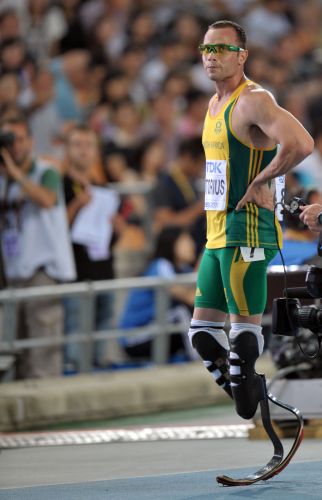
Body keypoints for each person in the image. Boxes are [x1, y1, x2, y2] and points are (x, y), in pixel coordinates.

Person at [188, 20, 314, 420]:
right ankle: (250, 392)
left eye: (221, 49)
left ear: (242, 55)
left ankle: (251, 395)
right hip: (217, 231)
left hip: (247, 230)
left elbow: (302, 142)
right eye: (206, 49)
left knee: (243, 327)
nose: (212, 57)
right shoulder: (212, 104)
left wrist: (265, 178)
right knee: (202, 334)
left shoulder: (253, 100)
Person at [0, 116, 76, 379]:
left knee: (42, 349)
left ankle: (47, 403)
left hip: (42, 271)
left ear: (30, 141)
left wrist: (16, 175)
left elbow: (46, 199)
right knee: (16, 348)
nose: (15, 146)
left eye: (20, 139)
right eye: (8, 141)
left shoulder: (46, 171)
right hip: (13, 274)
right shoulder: (4, 178)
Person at [63, 124, 120, 370]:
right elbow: (55, 230)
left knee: (104, 320)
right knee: (75, 323)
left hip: (103, 267)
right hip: (74, 268)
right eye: (77, 145)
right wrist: (76, 206)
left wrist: (118, 228)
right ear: (67, 150)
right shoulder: (61, 186)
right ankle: (74, 367)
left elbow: (111, 237)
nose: (84, 151)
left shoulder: (104, 190)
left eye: (88, 145)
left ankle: (102, 364)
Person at [118, 226, 196, 362]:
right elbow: (191, 298)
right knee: (182, 313)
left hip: (157, 330)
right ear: (172, 243)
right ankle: (200, 361)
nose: (192, 245)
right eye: (186, 240)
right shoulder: (160, 265)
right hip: (135, 337)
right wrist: (210, 255)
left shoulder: (184, 269)